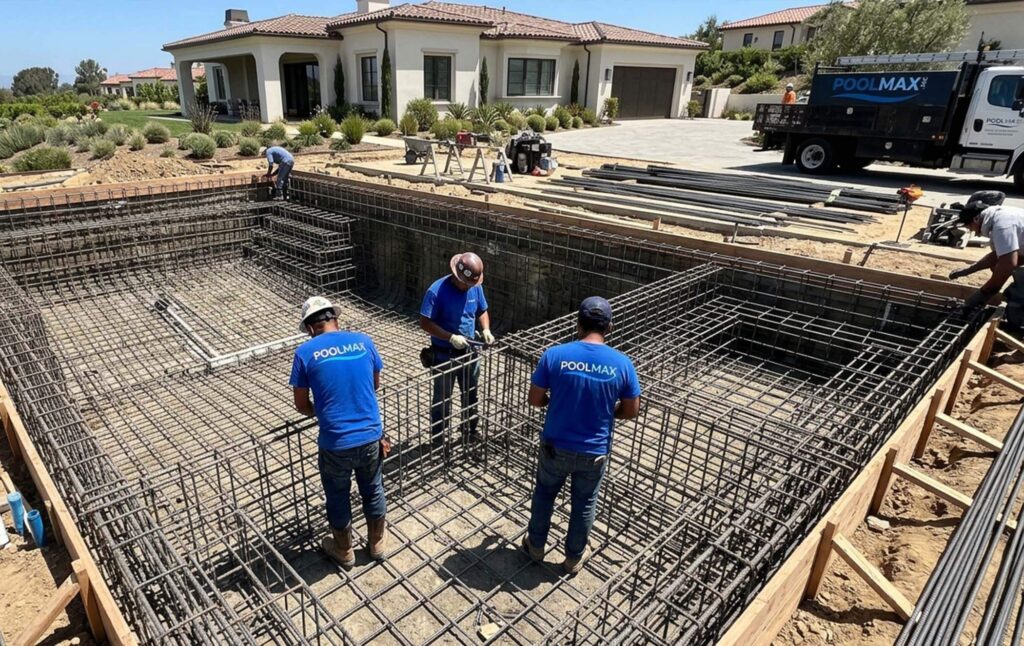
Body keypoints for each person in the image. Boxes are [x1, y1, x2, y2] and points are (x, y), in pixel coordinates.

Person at [522, 296, 641, 574]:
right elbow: (632, 409)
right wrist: (609, 412)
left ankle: (536, 546)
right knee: (585, 503)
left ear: (578, 324)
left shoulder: (555, 355)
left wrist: (555, 401)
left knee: (544, 495)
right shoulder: (622, 364)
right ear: (609, 327)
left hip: (555, 445)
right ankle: (574, 557)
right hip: (594, 452)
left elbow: (534, 398)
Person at [290, 296, 389, 569]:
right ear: (335, 318)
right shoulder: (364, 341)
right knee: (372, 489)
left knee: (337, 493)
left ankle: (344, 550)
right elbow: (375, 384)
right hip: (370, 435)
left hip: (335, 442)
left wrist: (324, 411)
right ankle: (377, 543)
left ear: (310, 328)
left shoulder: (305, 353)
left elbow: (301, 404)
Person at [419, 252, 495, 444]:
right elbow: (425, 322)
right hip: (445, 355)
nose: (469, 287)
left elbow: (482, 310)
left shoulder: (474, 287)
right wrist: (450, 337)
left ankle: (470, 431)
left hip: (469, 353)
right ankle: (438, 438)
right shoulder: (437, 291)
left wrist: (485, 329)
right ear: (457, 275)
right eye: (466, 284)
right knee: (442, 399)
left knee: (471, 393)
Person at [949, 201, 1024, 333]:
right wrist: (970, 270)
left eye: (969, 226)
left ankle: (1015, 334)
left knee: (1017, 296)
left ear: (976, 219)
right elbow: (999, 255)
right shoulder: (999, 217)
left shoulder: (1002, 225)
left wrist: (982, 294)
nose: (972, 231)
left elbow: (1007, 266)